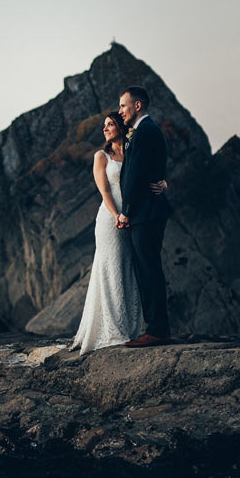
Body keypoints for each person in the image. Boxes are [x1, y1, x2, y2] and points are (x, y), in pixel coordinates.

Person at [70, 112, 167, 355]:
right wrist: (117, 216)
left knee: (128, 269)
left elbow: (146, 174)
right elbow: (104, 191)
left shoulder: (132, 151)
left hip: (133, 217)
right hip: (111, 219)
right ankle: (108, 328)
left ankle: (129, 327)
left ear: (121, 127)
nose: (106, 128)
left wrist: (164, 183)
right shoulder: (101, 156)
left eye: (111, 124)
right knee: (110, 266)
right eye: (104, 126)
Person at [116, 86, 173, 347]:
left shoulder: (146, 131)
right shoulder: (144, 132)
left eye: (124, 106)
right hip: (148, 211)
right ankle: (155, 327)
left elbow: (135, 177)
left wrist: (126, 211)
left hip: (145, 213)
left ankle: (157, 330)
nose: (120, 111)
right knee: (147, 268)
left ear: (137, 106)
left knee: (149, 269)